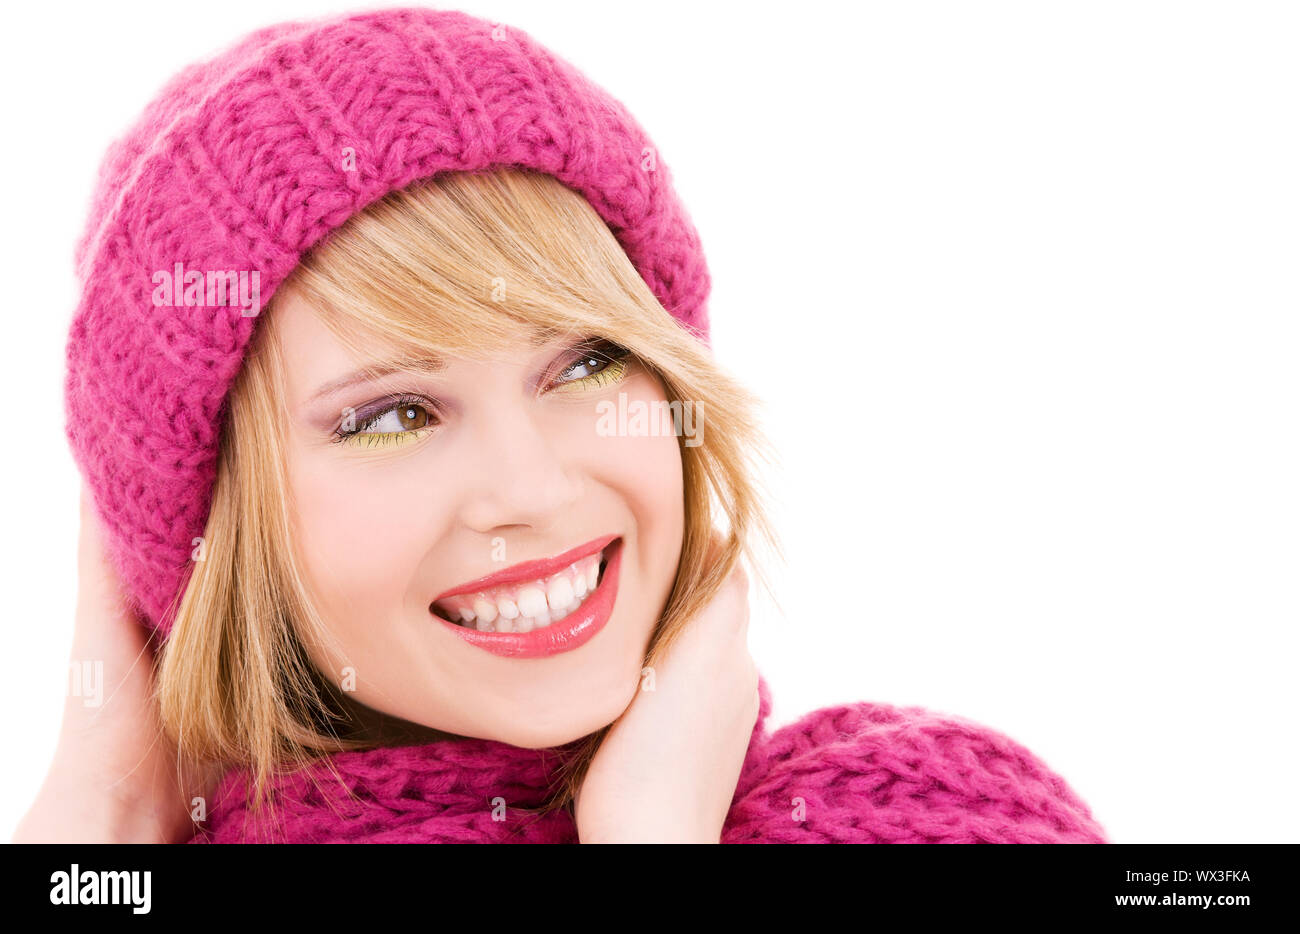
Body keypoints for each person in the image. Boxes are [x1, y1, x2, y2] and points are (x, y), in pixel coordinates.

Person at [17, 7, 1108, 843]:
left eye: (586, 362)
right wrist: (101, 804)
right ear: (214, 525)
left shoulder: (929, 817)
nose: (532, 489)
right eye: (395, 414)